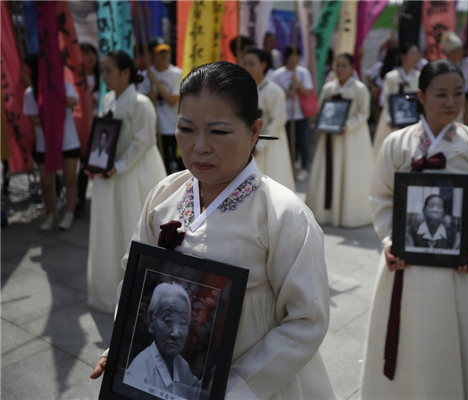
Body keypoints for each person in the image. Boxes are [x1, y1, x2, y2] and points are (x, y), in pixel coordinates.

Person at [90, 61, 335, 400]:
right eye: (186, 128)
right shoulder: (165, 194)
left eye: (218, 131)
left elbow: (307, 320)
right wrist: (122, 349)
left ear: (254, 131)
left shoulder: (284, 215)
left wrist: (236, 388)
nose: (200, 146)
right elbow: (133, 283)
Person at [361, 60, 468, 399]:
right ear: (420, 96)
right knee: (413, 335)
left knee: (463, 335)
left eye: (458, 93)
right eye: (441, 94)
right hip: (408, 261)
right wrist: (390, 240)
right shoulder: (397, 143)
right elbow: (381, 196)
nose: (451, 102)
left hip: (462, 261)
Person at [87, 51, 166, 313]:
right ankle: (110, 288)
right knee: (110, 227)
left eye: (109, 70)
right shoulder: (108, 98)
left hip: (134, 173)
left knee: (131, 225)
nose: (104, 76)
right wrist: (96, 161)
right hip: (110, 174)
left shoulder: (141, 103)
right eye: (102, 70)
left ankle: (138, 293)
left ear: (125, 72)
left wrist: (118, 166)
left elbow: (143, 141)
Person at [306, 53, 373, 228]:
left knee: (349, 172)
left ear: (352, 67)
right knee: (329, 171)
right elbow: (322, 110)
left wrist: (348, 125)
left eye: (344, 66)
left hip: (351, 139)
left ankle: (349, 214)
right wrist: (319, 125)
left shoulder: (359, 89)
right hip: (330, 138)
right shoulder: (329, 88)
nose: (340, 69)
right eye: (338, 65)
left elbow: (364, 113)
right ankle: (327, 213)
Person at [22, 55, 81, 231]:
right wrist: (54, 115)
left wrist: (53, 95)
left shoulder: (65, 87)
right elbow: (35, 121)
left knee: (69, 179)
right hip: (44, 145)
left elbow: (71, 101)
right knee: (46, 184)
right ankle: (51, 213)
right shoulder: (29, 93)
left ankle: (69, 213)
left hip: (68, 142)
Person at [124, 282, 201, 399]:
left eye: (183, 323)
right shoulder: (138, 375)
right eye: (168, 320)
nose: (176, 333)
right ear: (151, 321)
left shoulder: (181, 366)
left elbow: (195, 394)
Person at [243, 48, 295, 191]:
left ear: (263, 65)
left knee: (272, 182)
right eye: (245, 63)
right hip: (247, 145)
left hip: (270, 145)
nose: (247, 67)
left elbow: (277, 121)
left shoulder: (274, 91)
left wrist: (259, 145)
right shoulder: (243, 91)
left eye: (251, 63)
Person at [137, 36, 184, 174]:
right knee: (161, 167)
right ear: (151, 54)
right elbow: (140, 101)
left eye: (166, 52)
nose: (164, 55)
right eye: (159, 52)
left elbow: (173, 100)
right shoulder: (144, 75)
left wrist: (156, 82)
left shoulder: (176, 73)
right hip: (155, 128)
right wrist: (148, 98)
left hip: (173, 127)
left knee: (180, 166)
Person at [271, 45, 314, 181]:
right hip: (285, 114)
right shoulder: (278, 74)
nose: (294, 59)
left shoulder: (303, 73)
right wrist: (286, 94)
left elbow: (307, 92)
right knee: (288, 140)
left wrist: (298, 83)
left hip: (299, 114)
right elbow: (274, 93)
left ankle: (304, 166)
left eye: (297, 56)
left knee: (301, 140)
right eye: (292, 56)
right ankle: (290, 166)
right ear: (287, 57)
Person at [372, 43, 421, 158]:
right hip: (391, 119)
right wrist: (390, 118)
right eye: (413, 54)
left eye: (417, 54)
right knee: (389, 151)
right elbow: (384, 99)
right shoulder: (391, 77)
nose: (416, 57)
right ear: (403, 56)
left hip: (413, 120)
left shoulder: (419, 77)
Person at [77, 43, 100, 218]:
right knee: (83, 165)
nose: (90, 57)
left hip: (100, 129)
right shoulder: (77, 79)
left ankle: (98, 200)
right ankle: (80, 201)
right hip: (81, 127)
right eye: (85, 54)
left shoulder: (102, 77)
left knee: (97, 165)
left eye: (92, 53)